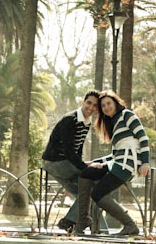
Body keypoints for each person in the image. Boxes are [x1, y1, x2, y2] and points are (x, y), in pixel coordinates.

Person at [74, 90, 151, 236]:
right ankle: (82, 220)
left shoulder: (127, 115)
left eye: (109, 103)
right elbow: (114, 155)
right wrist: (94, 162)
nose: (106, 107)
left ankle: (130, 225)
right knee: (86, 173)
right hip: (117, 162)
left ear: (116, 102)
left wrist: (145, 162)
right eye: (103, 106)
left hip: (127, 164)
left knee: (98, 194)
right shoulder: (114, 124)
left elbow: (143, 138)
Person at [41, 90, 113, 233]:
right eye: (89, 103)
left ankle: (100, 230)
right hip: (55, 162)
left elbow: (78, 148)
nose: (90, 107)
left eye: (94, 106)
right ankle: (69, 221)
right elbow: (68, 151)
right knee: (92, 186)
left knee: (87, 194)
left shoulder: (86, 122)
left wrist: (82, 164)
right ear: (83, 102)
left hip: (65, 163)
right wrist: (84, 168)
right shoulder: (70, 119)